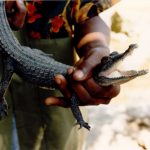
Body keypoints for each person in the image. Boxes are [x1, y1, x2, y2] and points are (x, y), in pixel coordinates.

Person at [0, 0, 120, 150]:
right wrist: (81, 121)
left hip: (54, 122)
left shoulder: (76, 80)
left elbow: (88, 10)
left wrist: (97, 47)